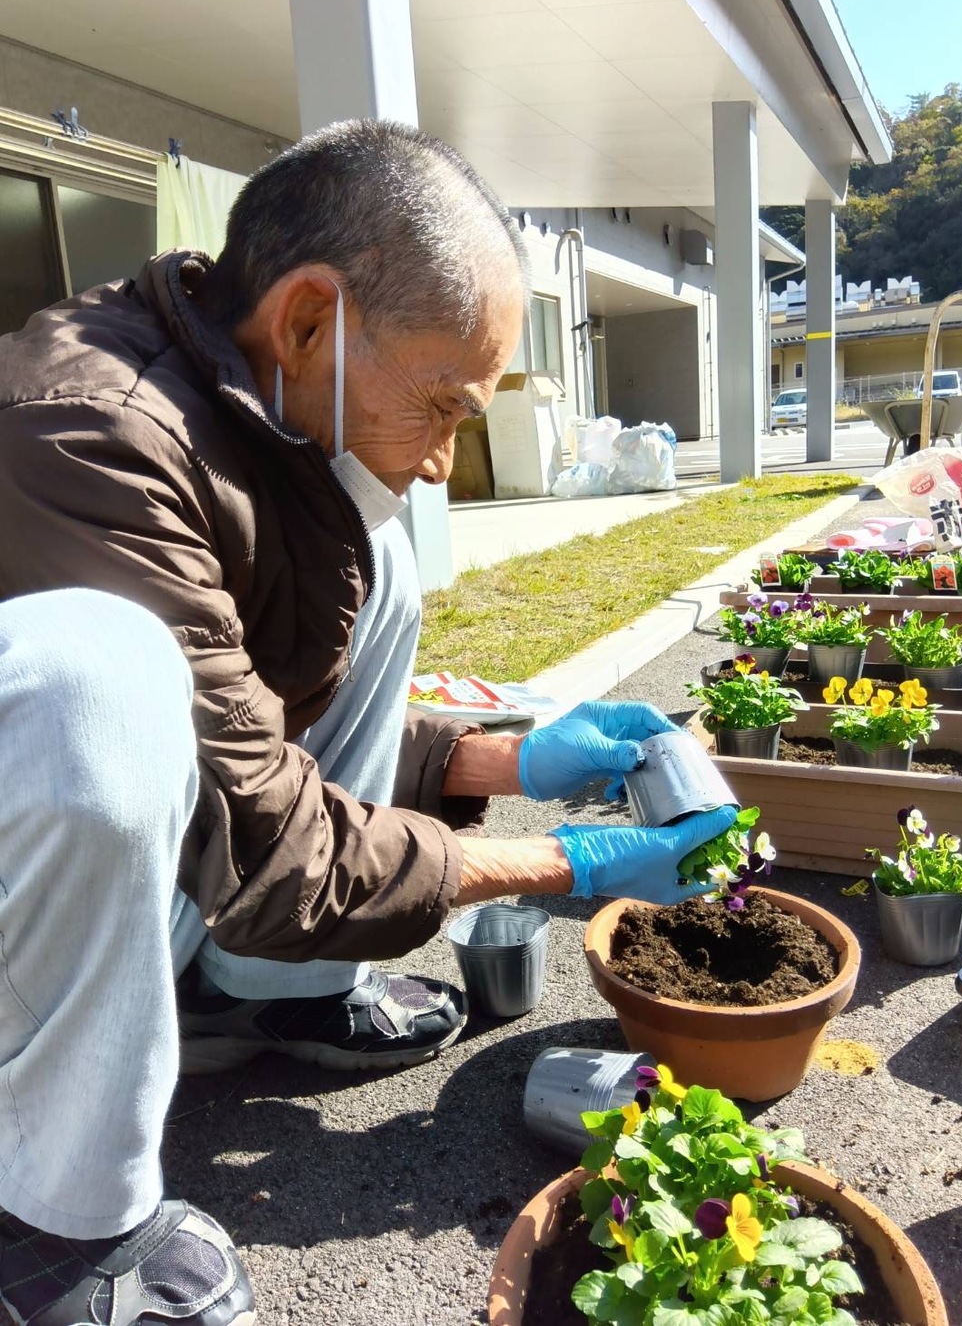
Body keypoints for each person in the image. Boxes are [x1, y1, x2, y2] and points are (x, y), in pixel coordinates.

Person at [0, 120, 735, 1326]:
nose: (449, 459)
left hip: (116, 857)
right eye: (444, 403)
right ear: (305, 320)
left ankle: (257, 993)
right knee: (101, 670)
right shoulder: (89, 435)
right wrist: (567, 861)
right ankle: (55, 1219)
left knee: (376, 557)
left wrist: (500, 755)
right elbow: (261, 824)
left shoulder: (250, 405)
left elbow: (249, 722)